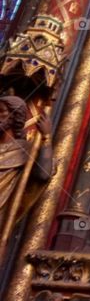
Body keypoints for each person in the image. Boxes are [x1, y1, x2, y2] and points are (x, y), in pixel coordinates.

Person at [0, 93, 52, 225]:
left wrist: (46, 137)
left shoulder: (26, 149)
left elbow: (43, 174)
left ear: (14, 116)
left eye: (1, 111)